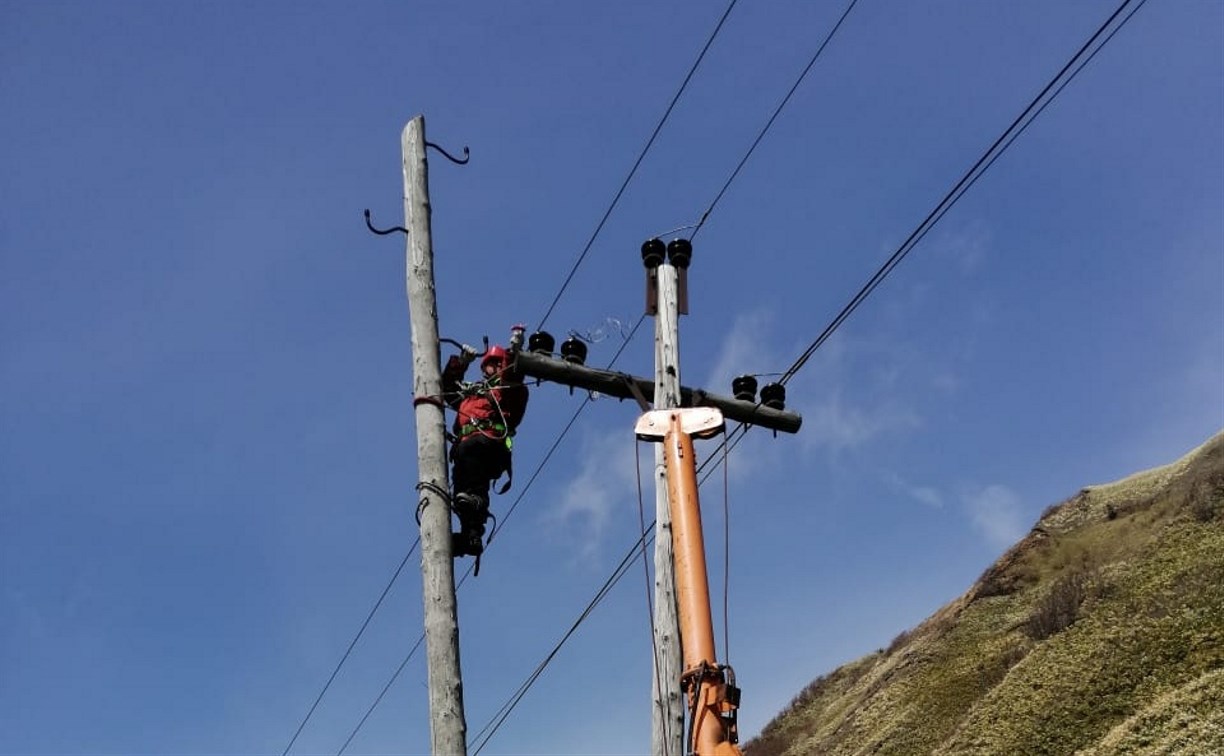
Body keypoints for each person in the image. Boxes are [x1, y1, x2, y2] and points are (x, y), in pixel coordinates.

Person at [441, 343, 529, 560]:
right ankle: (470, 536)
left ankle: (477, 502)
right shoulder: (473, 395)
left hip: (489, 444)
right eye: (489, 364)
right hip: (466, 449)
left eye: (495, 364)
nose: (489, 368)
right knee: (461, 494)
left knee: (472, 480)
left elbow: (512, 374)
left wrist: (512, 352)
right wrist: (461, 363)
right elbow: (447, 390)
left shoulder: (509, 390)